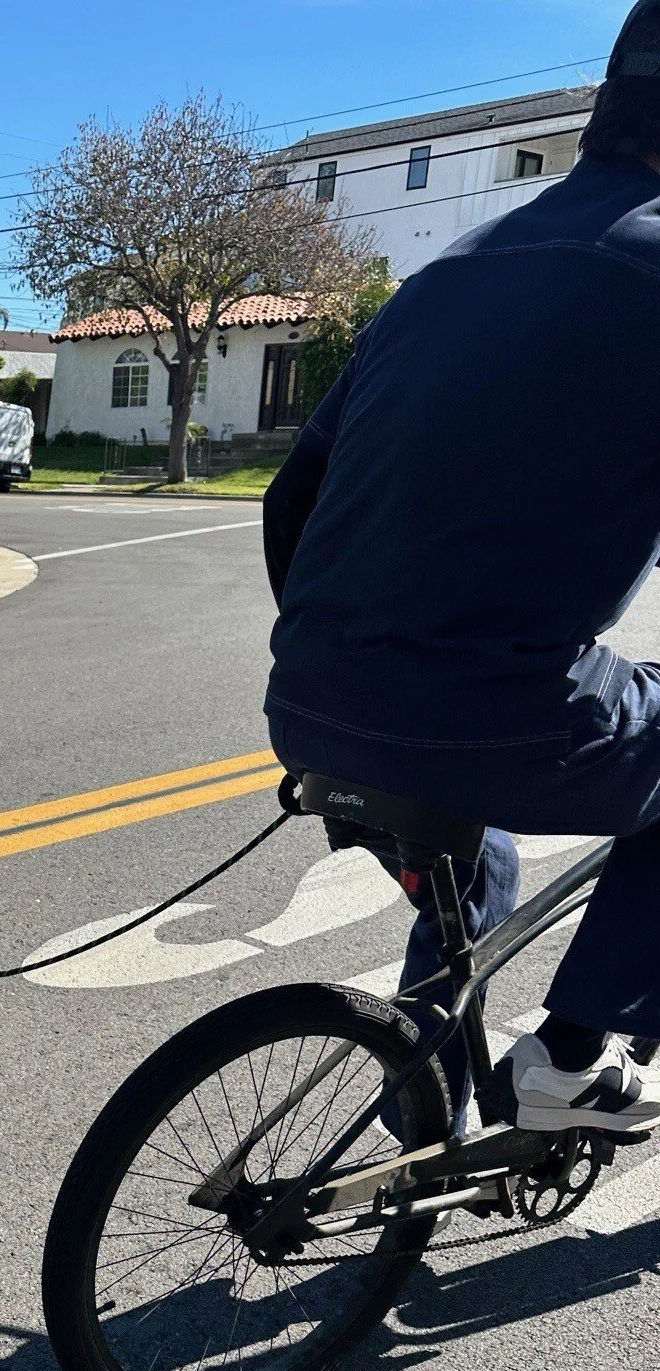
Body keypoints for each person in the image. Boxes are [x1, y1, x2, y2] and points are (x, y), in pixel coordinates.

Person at [264, 0, 660, 1136]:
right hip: (488, 708)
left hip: (310, 696)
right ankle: (574, 1059)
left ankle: (420, 1100)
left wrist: (351, 653)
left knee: (470, 867)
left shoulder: (444, 274)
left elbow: (295, 500)